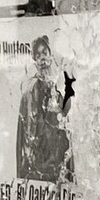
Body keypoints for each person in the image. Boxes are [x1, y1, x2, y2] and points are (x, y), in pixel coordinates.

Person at [16, 36, 73, 183]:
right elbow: (28, 134)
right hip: (39, 166)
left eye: (44, 53)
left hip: (54, 165)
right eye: (38, 55)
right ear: (34, 59)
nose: (42, 58)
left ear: (50, 54)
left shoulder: (56, 88)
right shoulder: (32, 88)